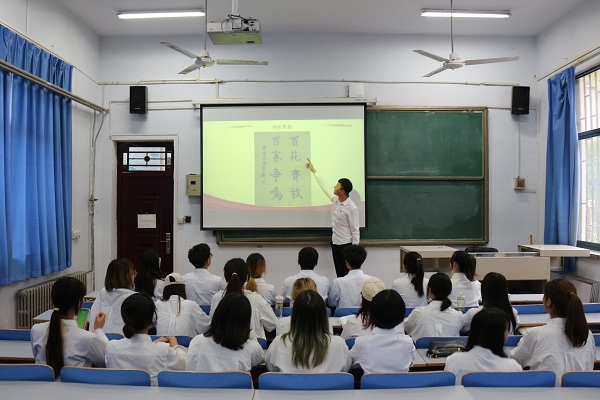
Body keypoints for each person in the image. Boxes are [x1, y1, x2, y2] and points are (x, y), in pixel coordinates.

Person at [511, 279, 595, 386]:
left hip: (546, 393)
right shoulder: (587, 335)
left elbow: (515, 359)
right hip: (582, 393)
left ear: (549, 302)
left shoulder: (537, 334)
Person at [31, 277, 108, 378]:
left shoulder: (36, 330)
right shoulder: (87, 338)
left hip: (42, 386)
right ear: (79, 303)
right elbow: (107, 359)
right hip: (76, 386)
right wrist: (98, 329)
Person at [105, 293, 186, 386]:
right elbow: (185, 364)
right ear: (152, 319)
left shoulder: (112, 348)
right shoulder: (163, 351)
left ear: (124, 317)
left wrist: (154, 344)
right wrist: (175, 346)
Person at [266, 290, 351, 372]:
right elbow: (345, 370)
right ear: (324, 316)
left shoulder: (278, 343)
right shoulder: (339, 345)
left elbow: (271, 369)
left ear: (294, 316)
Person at [306, 158, 359, 278]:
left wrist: (354, 251)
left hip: (346, 245)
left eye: (337, 185)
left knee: (347, 275)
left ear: (342, 191)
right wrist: (314, 170)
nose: (334, 186)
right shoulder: (335, 200)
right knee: (339, 274)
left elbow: (355, 231)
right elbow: (325, 186)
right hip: (335, 244)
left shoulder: (351, 208)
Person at [186, 292, 265, 372]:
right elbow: (261, 359)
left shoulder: (197, 342)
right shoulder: (252, 348)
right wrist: (250, 335)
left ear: (217, 314)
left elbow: (189, 370)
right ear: (245, 321)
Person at [445, 307, 522, 384]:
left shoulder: (454, 361)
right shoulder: (513, 367)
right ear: (503, 335)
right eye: (507, 330)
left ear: (473, 332)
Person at [210, 258, 277, 340]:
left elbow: (212, 324)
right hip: (251, 345)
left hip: (221, 345)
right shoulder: (257, 299)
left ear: (225, 276)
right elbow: (273, 324)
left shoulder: (216, 298)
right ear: (247, 277)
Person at [350, 290, 415, 373]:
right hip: (401, 382)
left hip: (371, 382)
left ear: (372, 314)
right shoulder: (408, 342)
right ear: (401, 315)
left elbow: (350, 363)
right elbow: (411, 362)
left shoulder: (361, 343)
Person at [404, 273, 464, 342]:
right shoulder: (458, 316)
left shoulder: (418, 313)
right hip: (453, 349)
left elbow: (405, 328)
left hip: (422, 349)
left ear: (430, 291)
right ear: (449, 291)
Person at [87, 258, 136, 334]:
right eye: (133, 273)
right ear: (128, 276)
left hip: (98, 336)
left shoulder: (102, 292)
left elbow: (93, 317)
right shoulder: (134, 297)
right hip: (123, 338)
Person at [155, 272, 211, 337]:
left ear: (165, 290)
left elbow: (148, 324)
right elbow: (207, 328)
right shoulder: (191, 305)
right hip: (186, 344)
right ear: (183, 289)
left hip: (161, 343)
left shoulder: (158, 304)